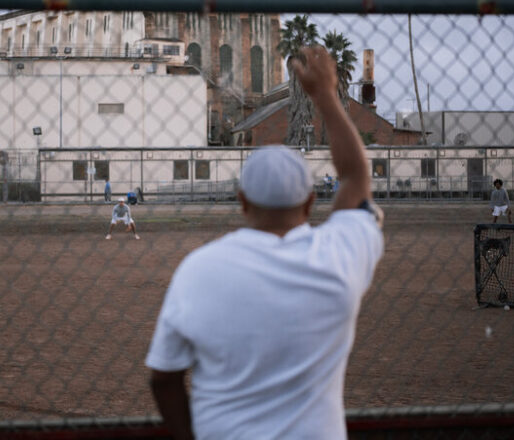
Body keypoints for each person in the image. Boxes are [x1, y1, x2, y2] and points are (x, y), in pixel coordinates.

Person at [145, 45, 384, 439]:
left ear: (242, 202)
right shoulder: (336, 259)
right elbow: (356, 179)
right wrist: (325, 94)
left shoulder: (199, 269)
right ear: (310, 202)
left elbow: (163, 379)